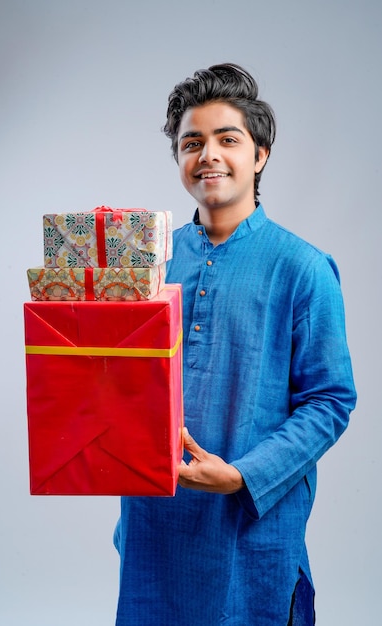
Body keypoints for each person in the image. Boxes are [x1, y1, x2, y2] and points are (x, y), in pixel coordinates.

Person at [113, 63, 357, 625]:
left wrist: (243, 475)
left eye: (228, 139)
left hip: (251, 521)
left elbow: (330, 401)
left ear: (260, 154)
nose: (208, 155)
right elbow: (115, 376)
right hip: (155, 519)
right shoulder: (145, 264)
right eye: (191, 142)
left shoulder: (303, 267)